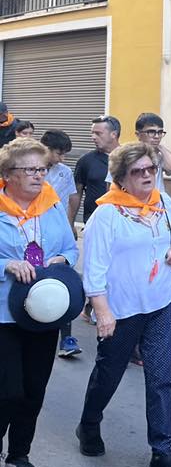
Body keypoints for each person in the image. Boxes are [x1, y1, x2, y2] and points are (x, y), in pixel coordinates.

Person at [76, 142, 171, 467]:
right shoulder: (106, 215)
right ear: (121, 178)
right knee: (108, 374)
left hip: (160, 303)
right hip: (122, 310)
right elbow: (93, 269)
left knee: (159, 378)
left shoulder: (163, 202)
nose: (146, 176)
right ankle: (89, 423)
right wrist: (103, 311)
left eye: (150, 170)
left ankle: (162, 449)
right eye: (137, 171)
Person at [0, 138, 78, 467]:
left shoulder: (53, 204)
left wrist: (64, 260)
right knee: (7, 390)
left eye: (42, 169)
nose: (38, 176)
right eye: (29, 170)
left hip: (45, 313)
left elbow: (70, 247)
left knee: (34, 389)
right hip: (3, 313)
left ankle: (19, 457)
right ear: (7, 174)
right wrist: (7, 263)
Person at [41, 130, 82, 359]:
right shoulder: (28, 167)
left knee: (65, 283)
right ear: (45, 147)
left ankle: (66, 339)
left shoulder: (64, 172)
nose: (61, 159)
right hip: (31, 237)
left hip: (57, 235)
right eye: (58, 153)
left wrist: (70, 226)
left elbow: (68, 200)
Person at [72, 116, 120, 228]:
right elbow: (76, 193)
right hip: (93, 222)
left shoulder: (129, 158)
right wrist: (71, 223)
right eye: (92, 133)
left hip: (122, 222)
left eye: (98, 133)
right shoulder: (86, 161)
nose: (93, 137)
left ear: (113, 134)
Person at [134, 114, 171, 190]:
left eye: (160, 132)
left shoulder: (159, 155)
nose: (157, 136)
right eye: (151, 132)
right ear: (138, 135)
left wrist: (161, 147)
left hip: (157, 200)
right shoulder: (128, 156)